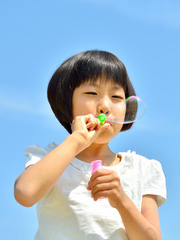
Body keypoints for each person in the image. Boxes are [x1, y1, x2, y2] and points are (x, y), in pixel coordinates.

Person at [14, 50, 167, 240]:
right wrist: (77, 139)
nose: (105, 106)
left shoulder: (142, 168)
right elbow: (25, 193)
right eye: (91, 93)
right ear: (66, 102)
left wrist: (121, 200)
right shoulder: (49, 158)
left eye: (117, 97)